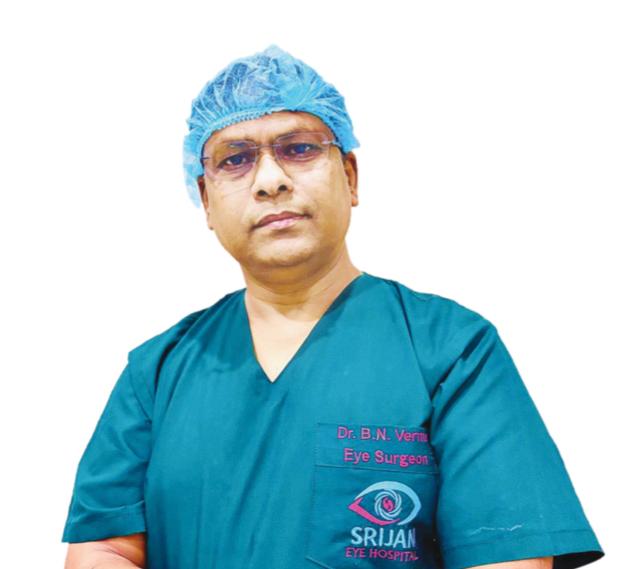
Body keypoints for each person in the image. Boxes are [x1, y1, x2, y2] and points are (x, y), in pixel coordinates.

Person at [61, 44, 605, 569]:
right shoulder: (157, 372)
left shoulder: (449, 350)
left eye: (298, 149)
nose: (270, 181)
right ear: (205, 200)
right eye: (236, 159)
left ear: (349, 177)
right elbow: (105, 550)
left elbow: (508, 555)